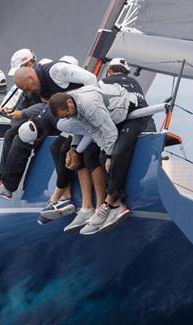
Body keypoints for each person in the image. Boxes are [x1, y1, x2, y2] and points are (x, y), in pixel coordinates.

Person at [0, 59, 97, 201]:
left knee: (55, 147)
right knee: (16, 133)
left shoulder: (57, 71)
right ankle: (5, 184)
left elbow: (91, 79)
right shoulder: (36, 86)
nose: (29, 92)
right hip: (54, 114)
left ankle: (64, 195)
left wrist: (78, 105)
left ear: (31, 77)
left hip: (75, 114)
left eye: (27, 89)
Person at [48, 82, 149, 234]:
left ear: (69, 102)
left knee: (116, 155)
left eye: (67, 114)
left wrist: (109, 155)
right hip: (116, 118)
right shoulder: (74, 109)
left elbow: (110, 133)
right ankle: (115, 204)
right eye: (65, 117)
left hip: (135, 111)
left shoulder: (89, 105)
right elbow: (93, 131)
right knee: (102, 157)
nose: (69, 117)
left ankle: (111, 205)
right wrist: (104, 153)